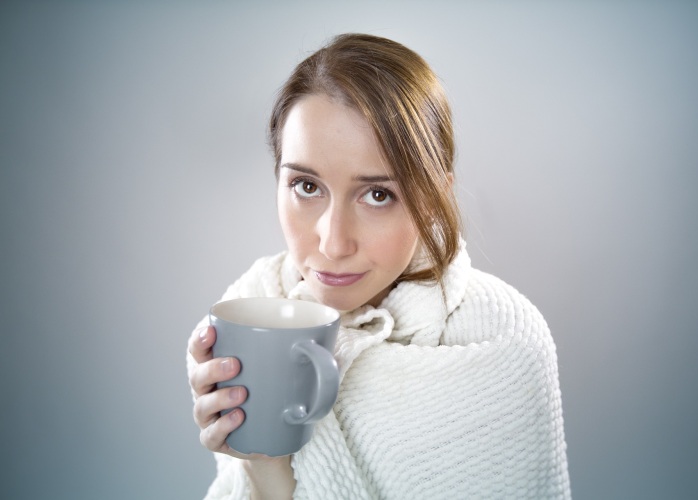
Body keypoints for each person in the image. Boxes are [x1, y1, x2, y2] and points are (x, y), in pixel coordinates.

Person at [187, 33, 571, 499]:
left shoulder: (502, 338)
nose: (332, 242)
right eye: (306, 186)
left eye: (377, 195)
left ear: (433, 198)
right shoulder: (256, 301)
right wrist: (259, 459)